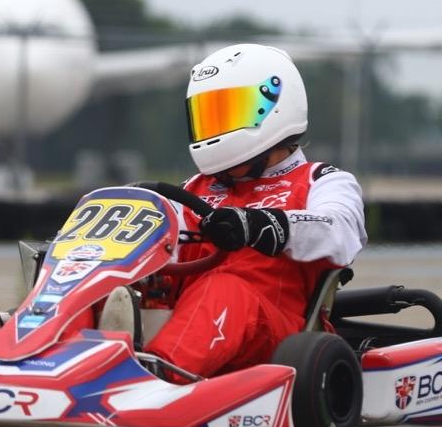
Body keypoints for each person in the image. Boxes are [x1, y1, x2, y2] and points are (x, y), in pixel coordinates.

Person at [143, 43, 367, 378]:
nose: (216, 128)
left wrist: (265, 224)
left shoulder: (320, 180)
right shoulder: (191, 190)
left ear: (276, 108)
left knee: (224, 288)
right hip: (189, 321)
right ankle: (72, 365)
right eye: (209, 116)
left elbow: (339, 230)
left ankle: (156, 376)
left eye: (228, 113)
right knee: (126, 284)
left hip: (276, 337)